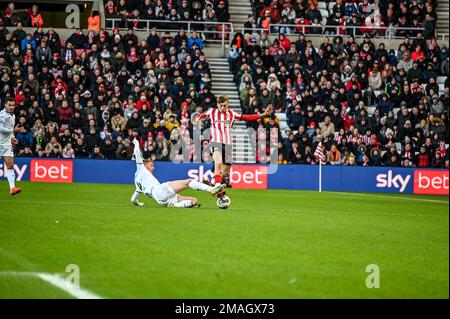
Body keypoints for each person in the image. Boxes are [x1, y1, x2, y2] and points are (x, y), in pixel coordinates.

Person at [193, 95, 273, 194]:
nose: (223, 108)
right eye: (221, 105)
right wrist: (199, 118)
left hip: (228, 145)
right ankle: (217, 187)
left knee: (226, 171)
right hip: (215, 142)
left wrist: (263, 114)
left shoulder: (232, 113)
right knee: (218, 163)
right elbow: (196, 117)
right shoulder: (211, 112)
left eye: (225, 106)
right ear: (217, 104)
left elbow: (247, 117)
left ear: (228, 104)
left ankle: (214, 181)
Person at [130, 138, 225, 208]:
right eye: (151, 165)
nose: (153, 168)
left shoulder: (138, 183)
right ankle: (212, 189)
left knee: (194, 201)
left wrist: (137, 203)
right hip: (160, 191)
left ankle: (174, 205)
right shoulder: (141, 168)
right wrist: (136, 143)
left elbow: (133, 199)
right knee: (188, 182)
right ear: (144, 165)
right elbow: (137, 152)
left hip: (161, 199)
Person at [0, 98, 25, 196]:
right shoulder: (2, 115)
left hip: (6, 144)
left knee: (10, 164)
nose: (11, 107)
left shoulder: (13, 116)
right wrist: (13, 131)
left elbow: (9, 130)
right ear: (5, 105)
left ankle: (12, 188)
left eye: (13, 105)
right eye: (10, 105)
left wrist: (13, 138)